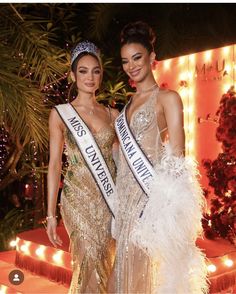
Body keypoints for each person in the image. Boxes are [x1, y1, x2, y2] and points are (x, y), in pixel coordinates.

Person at [113, 21, 209, 293]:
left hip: (149, 198)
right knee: (122, 272)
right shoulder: (127, 103)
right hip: (124, 199)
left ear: (152, 57)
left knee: (145, 272)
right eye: (125, 61)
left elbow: (178, 159)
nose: (131, 66)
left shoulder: (168, 98)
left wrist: (169, 209)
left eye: (137, 58)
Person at [46, 40, 118, 293]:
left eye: (96, 71)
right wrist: (51, 215)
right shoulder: (61, 113)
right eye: (84, 71)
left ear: (101, 75)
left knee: (105, 261)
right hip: (77, 198)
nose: (90, 77)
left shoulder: (113, 115)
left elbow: (121, 162)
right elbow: (54, 166)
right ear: (73, 75)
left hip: (108, 199)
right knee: (88, 258)